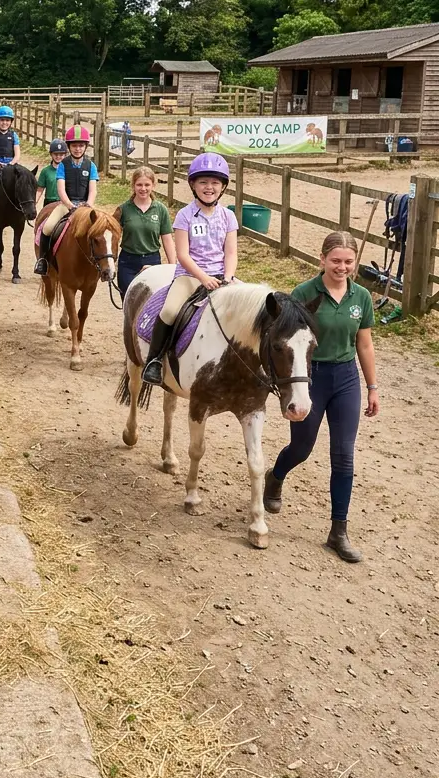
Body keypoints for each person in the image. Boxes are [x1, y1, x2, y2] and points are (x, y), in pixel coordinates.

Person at [264, 231, 380, 563]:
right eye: (336, 261)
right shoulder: (303, 293)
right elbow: (287, 343)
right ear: (322, 259)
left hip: (346, 378)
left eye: (348, 261)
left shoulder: (361, 297)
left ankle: (338, 532)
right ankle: (275, 477)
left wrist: (372, 387)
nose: (342, 267)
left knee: (343, 456)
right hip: (311, 378)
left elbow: (364, 344)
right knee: (301, 448)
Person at [142, 153, 237, 386]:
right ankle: (154, 360)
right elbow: (183, 255)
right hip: (190, 276)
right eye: (203, 182)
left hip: (222, 276)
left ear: (223, 187)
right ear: (193, 185)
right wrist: (204, 278)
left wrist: (227, 277)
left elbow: (231, 253)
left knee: (254, 310)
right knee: (169, 311)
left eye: (215, 183)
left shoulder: (228, 216)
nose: (209, 187)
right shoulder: (184, 215)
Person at [34, 124, 98, 276]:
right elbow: (61, 189)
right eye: (74, 146)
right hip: (66, 205)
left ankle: (101, 264)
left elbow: (93, 189)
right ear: (69, 146)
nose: (78, 149)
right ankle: (43, 261)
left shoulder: (91, 166)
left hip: (85, 205)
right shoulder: (63, 165)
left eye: (81, 145)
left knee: (101, 230)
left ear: (86, 146)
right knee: (47, 227)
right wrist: (70, 206)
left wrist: (88, 204)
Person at [113, 166, 176, 294]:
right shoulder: (123, 209)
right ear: (133, 186)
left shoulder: (161, 210)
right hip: (128, 262)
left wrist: (173, 268)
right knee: (128, 299)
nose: (143, 189)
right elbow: (112, 237)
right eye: (139, 185)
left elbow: (167, 240)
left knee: (151, 301)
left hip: (152, 261)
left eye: (147, 185)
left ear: (153, 185)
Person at [35, 138, 68, 213]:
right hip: (49, 203)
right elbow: (40, 189)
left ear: (65, 155)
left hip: (64, 202)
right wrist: (34, 203)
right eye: (56, 154)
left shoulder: (69, 171)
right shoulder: (45, 171)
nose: (58, 156)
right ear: (51, 154)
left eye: (61, 154)